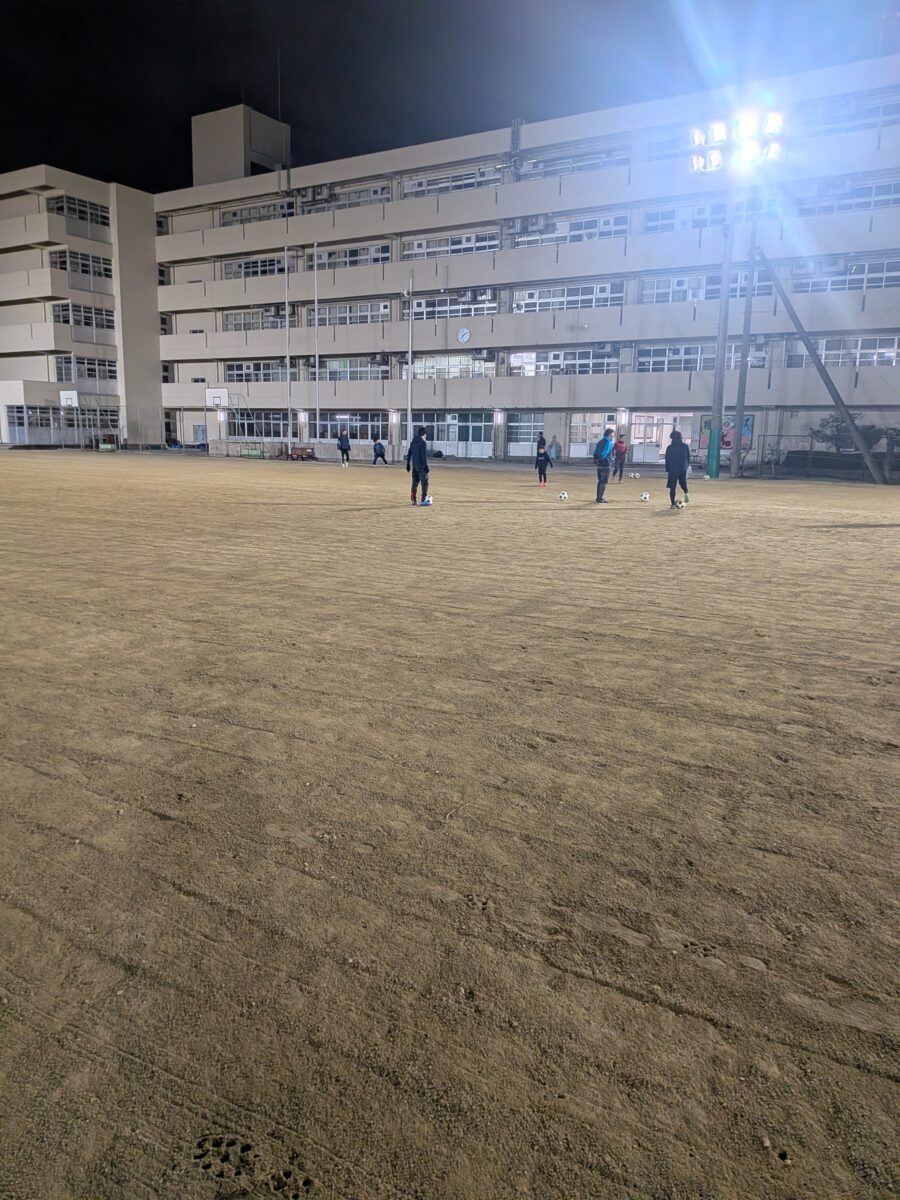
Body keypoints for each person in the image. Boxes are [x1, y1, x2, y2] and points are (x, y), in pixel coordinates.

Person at [406, 425, 431, 505]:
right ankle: (423, 499)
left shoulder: (413, 442)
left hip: (414, 467)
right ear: (424, 434)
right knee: (425, 483)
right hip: (421, 467)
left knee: (414, 483)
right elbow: (423, 456)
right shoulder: (423, 443)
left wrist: (408, 463)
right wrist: (425, 466)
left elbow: (409, 453)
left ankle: (413, 500)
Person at [665, 430, 691, 507]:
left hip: (673, 468)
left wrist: (668, 469)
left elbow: (667, 459)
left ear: (672, 438)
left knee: (672, 487)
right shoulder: (685, 446)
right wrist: (687, 466)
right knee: (683, 482)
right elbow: (688, 457)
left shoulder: (670, 447)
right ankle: (686, 493)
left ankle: (673, 504)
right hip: (683, 468)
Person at [592, 427, 615, 503]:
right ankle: (600, 498)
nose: (613, 435)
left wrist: (596, 460)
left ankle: (598, 497)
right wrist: (601, 459)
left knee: (600, 481)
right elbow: (604, 453)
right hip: (606, 464)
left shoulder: (600, 441)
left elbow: (595, 452)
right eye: (613, 434)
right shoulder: (608, 442)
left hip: (599, 464)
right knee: (604, 482)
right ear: (609, 434)